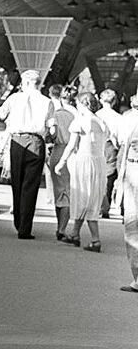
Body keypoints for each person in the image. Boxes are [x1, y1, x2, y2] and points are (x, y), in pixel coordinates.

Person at [0, 70, 55, 240]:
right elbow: (52, 128)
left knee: (16, 183)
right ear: (38, 83)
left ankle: (18, 221)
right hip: (36, 142)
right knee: (30, 186)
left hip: (17, 142)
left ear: (24, 83)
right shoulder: (47, 102)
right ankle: (24, 228)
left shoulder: (14, 98)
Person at [54, 92, 108, 253]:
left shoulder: (81, 121)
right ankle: (75, 233)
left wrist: (61, 162)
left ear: (83, 104)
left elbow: (71, 145)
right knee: (92, 197)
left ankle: (95, 239)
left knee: (82, 196)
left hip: (84, 161)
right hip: (99, 162)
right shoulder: (101, 121)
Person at [47, 85, 77, 241]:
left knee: (59, 191)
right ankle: (62, 228)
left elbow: (50, 133)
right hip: (71, 152)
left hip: (57, 150)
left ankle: (60, 225)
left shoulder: (57, 114)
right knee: (66, 192)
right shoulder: (77, 115)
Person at [116, 94, 138, 291]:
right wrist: (119, 180)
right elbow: (124, 152)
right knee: (131, 227)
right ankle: (137, 278)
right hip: (131, 173)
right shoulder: (131, 120)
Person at [97, 88, 122, 218]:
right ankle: (106, 206)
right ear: (114, 102)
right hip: (111, 146)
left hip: (97, 145)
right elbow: (119, 137)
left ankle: (98, 204)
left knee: (97, 174)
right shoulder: (118, 117)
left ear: (101, 100)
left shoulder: (96, 115)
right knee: (109, 177)